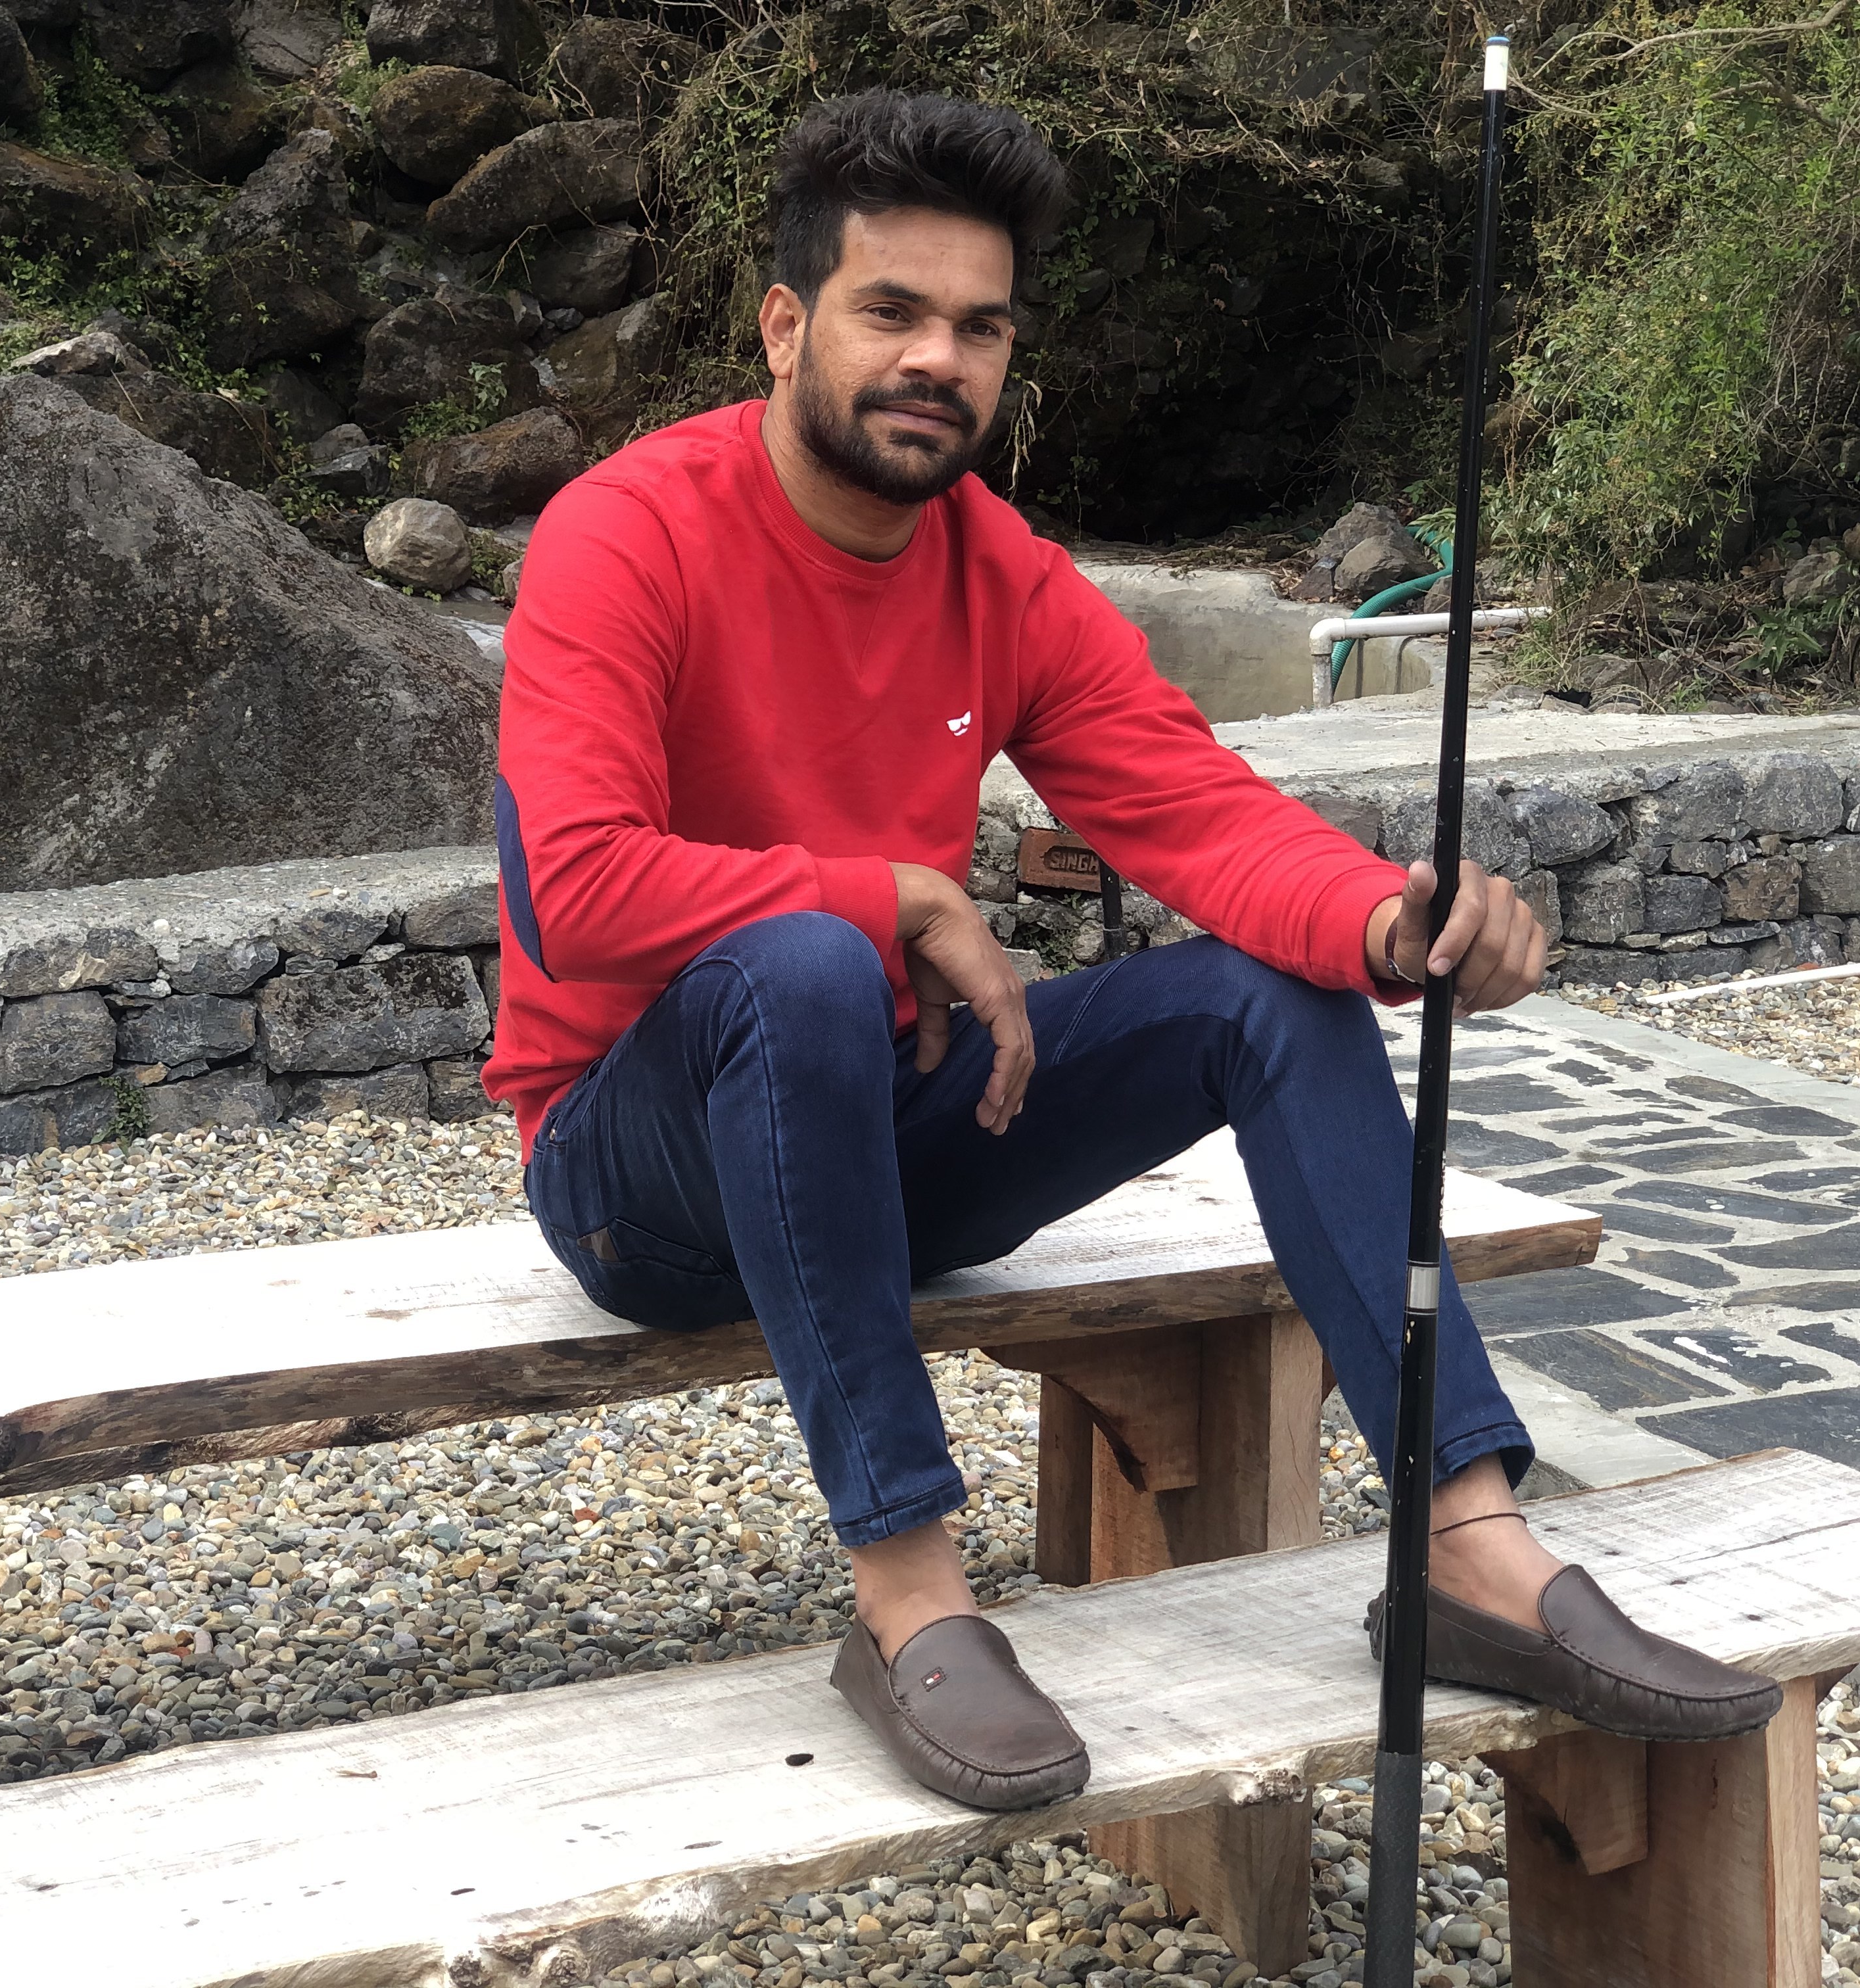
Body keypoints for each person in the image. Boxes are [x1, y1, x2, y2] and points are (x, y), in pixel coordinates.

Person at [486, 87, 1782, 1812]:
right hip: (634, 1180)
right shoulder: (627, 531)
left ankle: (1466, 1542)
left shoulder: (1000, 572)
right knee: (803, 964)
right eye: (892, 311)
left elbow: (1194, 807)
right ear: (787, 325)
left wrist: (1388, 920)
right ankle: (910, 1594)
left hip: (881, 1132)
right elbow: (572, 887)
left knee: (1269, 987)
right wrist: (891, 899)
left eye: (978, 327)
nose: (936, 358)